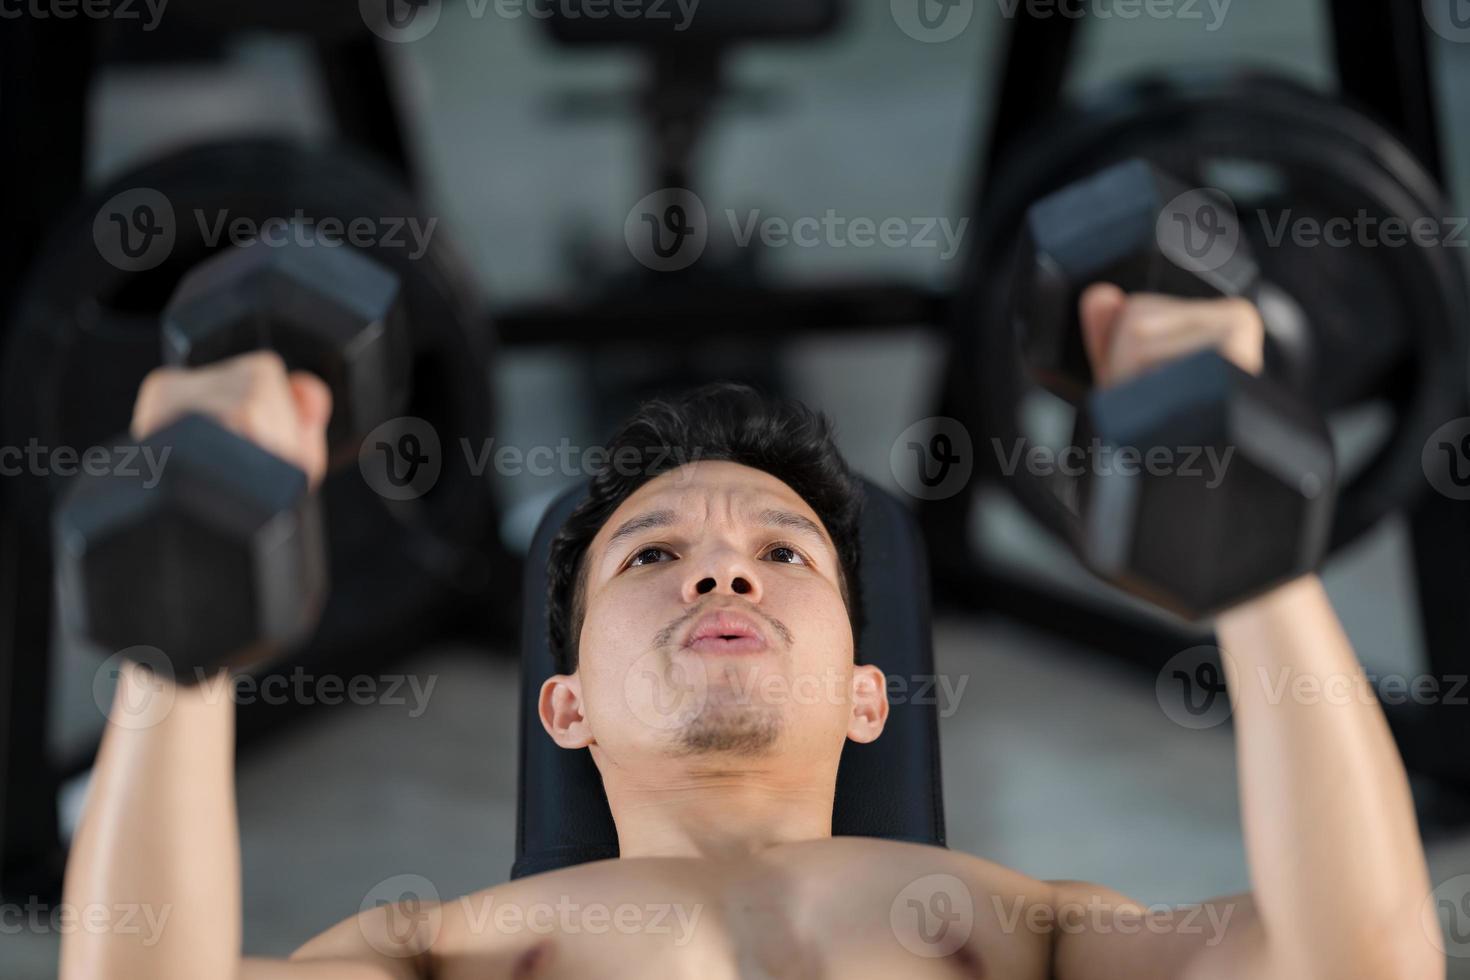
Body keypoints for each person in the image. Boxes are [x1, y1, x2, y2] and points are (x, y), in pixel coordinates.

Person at [60, 284, 1442, 979]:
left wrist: (1256, 566)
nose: (721, 575)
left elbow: (1360, 960)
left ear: (863, 692)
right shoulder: (443, 950)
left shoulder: (1022, 932)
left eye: (780, 554)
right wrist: (184, 618)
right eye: (653, 556)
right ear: (566, 705)